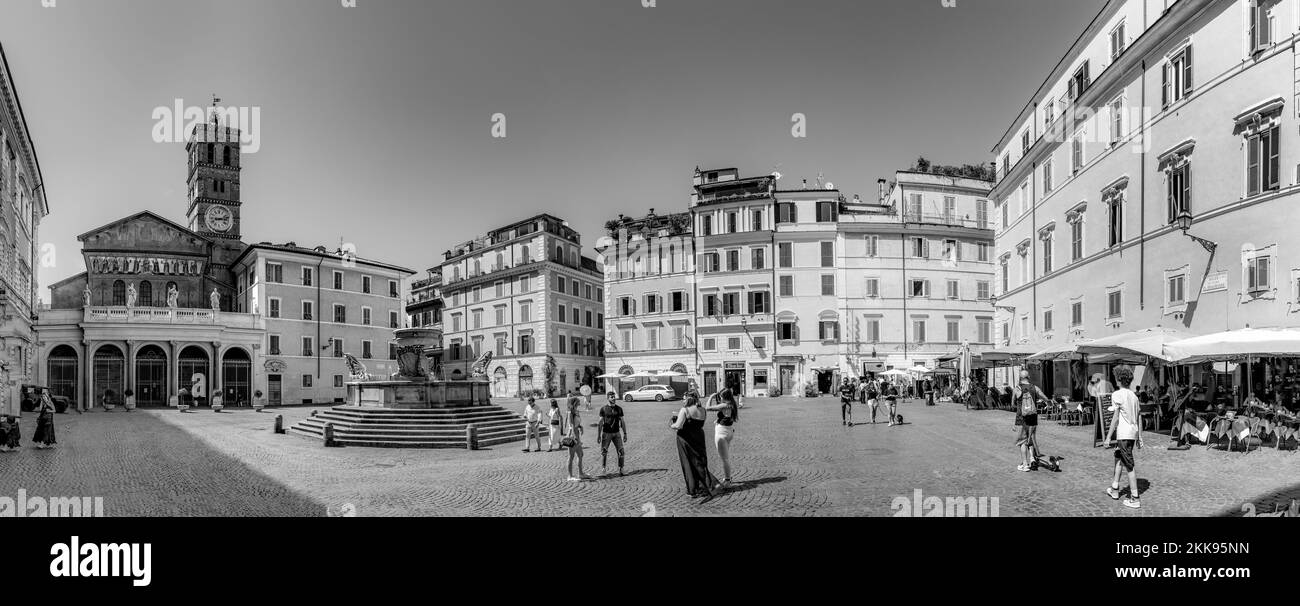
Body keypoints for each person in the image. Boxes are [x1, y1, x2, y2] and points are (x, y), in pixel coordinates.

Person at [1103, 365, 1143, 509]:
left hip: (1124, 434)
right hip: (1131, 434)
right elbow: (1139, 417)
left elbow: (1115, 418)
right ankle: (1114, 489)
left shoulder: (1117, 394)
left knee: (1129, 466)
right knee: (1119, 458)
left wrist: (1108, 437)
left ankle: (1135, 498)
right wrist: (1139, 437)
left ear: (1119, 379)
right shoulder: (1134, 396)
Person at [670, 394, 718, 499]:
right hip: (699, 438)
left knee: (688, 463)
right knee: (699, 462)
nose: (683, 400)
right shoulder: (703, 410)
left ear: (688, 399)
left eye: (684, 398)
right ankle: (706, 485)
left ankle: (692, 490)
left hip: (685, 439)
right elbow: (697, 423)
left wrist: (671, 424)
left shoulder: (685, 410)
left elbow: (679, 425)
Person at [704, 381, 739, 488]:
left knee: (724, 459)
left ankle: (728, 481)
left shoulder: (724, 405)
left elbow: (707, 407)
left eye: (721, 396)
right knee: (725, 456)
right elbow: (727, 417)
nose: (720, 398)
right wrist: (718, 420)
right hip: (729, 431)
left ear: (724, 396)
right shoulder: (733, 404)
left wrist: (711, 397)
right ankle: (727, 477)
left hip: (722, 433)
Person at [1013, 370, 1048, 472]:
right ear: (1028, 377)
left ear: (1020, 378)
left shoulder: (1017, 389)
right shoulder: (1034, 387)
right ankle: (1032, 458)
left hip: (1021, 418)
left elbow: (1012, 404)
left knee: (1022, 441)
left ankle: (1025, 464)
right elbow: (1044, 397)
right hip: (1033, 417)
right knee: (1030, 438)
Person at [597, 392, 629, 476]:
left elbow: (622, 422)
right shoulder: (603, 409)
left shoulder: (619, 409)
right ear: (608, 398)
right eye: (612, 397)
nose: (614, 398)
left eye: (614, 397)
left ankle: (621, 469)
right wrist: (598, 435)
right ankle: (603, 469)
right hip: (606, 433)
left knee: (621, 451)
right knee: (604, 452)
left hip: (617, 433)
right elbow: (600, 422)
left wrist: (625, 433)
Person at [563, 398, 589, 481]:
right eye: (578, 402)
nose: (580, 403)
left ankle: (580, 474)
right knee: (571, 456)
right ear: (574, 403)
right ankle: (570, 476)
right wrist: (575, 437)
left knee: (580, 454)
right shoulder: (570, 412)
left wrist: (580, 427)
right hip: (572, 435)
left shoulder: (576, 411)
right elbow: (571, 425)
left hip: (577, 434)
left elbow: (577, 423)